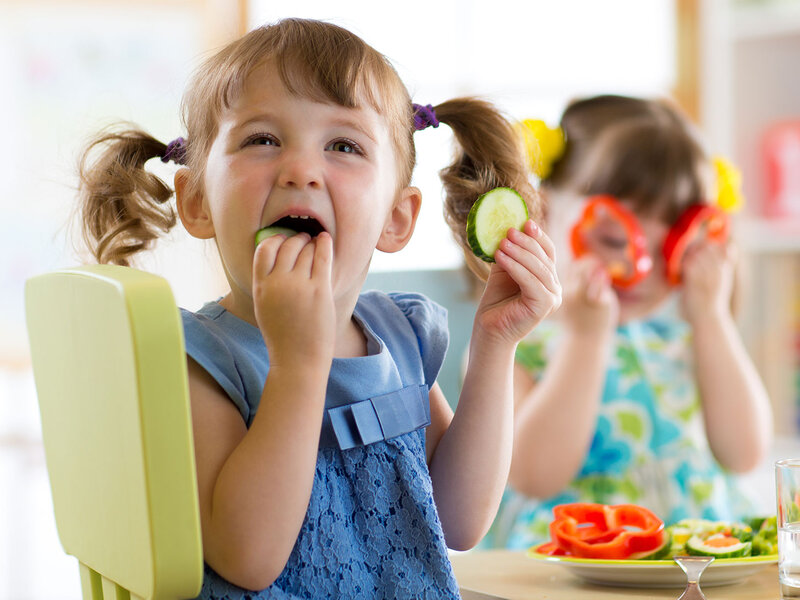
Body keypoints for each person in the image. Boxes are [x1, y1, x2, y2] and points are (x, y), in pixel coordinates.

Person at [75, 18, 561, 598]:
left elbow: (459, 520)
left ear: (396, 218)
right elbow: (248, 559)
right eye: (262, 140)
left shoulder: (399, 337)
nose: (301, 170)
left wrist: (495, 344)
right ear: (197, 200)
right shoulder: (197, 359)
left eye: (344, 146)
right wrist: (299, 365)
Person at [484, 94, 773, 549]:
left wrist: (713, 318)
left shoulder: (688, 339)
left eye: (670, 250)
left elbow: (745, 454)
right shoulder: (515, 340)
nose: (641, 269)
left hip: (692, 559)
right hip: (577, 561)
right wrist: (585, 338)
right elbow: (532, 475)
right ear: (543, 210)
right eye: (614, 238)